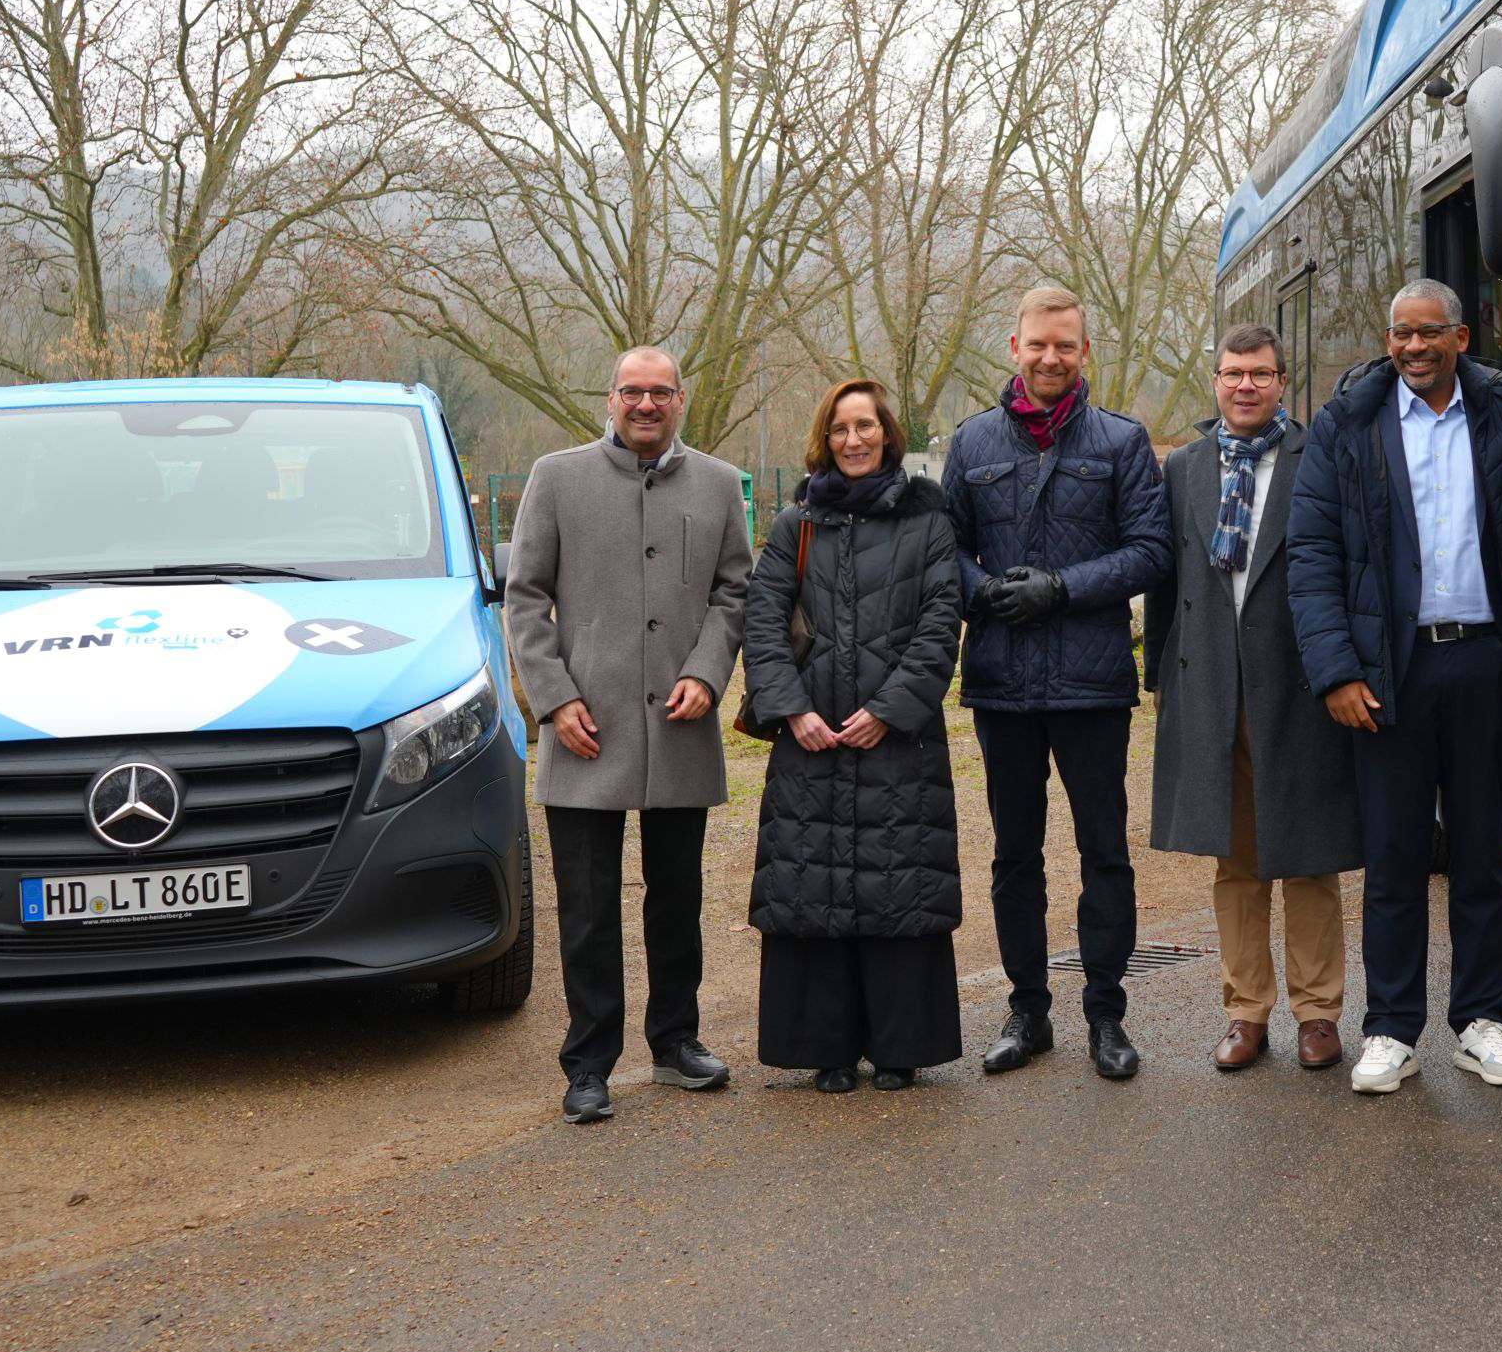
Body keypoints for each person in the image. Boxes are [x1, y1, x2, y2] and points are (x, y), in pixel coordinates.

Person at [1285, 278, 1502, 1097]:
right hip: (1387, 673)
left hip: (1487, 663)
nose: (1413, 347)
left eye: (1430, 332)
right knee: (1394, 860)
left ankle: (1481, 1021)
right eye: (1401, 333)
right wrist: (1336, 670)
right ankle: (1391, 1029)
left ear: (1460, 339)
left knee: (1480, 856)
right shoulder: (1348, 423)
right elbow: (1312, 554)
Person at [502, 346, 752, 1126]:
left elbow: (735, 592)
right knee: (586, 907)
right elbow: (524, 599)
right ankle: (588, 1063)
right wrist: (554, 700)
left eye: (660, 392)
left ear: (681, 400)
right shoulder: (556, 478)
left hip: (680, 722)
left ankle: (675, 1041)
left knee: (677, 899)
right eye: (632, 391)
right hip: (586, 726)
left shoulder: (718, 484)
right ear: (610, 399)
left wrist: (708, 672)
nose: (646, 404)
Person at [942, 284, 1172, 1081]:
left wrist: (1063, 588)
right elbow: (946, 548)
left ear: (1083, 350)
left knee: (1104, 850)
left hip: (1092, 681)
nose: (1050, 358)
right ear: (1015, 347)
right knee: (1015, 855)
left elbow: (1151, 550)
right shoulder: (972, 442)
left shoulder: (1121, 441)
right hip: (1002, 679)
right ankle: (1028, 1011)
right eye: (1038, 344)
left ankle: (1107, 1014)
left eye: (1064, 345)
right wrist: (984, 592)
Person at [739, 380, 966, 1092]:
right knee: (813, 885)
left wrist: (890, 710)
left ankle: (901, 1046)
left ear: (887, 434)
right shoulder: (796, 523)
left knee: (901, 884)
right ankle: (825, 1048)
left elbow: (941, 624)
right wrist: (791, 709)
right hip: (810, 739)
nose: (854, 439)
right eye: (840, 429)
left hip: (899, 742)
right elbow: (763, 622)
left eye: (866, 426)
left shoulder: (928, 522)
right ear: (825, 438)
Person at [1146, 325, 1361, 1072]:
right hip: (1210, 686)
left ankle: (1318, 1013)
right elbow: (1167, 583)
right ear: (1215, 381)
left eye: (1260, 374)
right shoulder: (1185, 467)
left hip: (1299, 687)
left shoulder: (1318, 456)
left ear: (1281, 382)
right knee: (1235, 861)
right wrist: (1163, 682)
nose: (1246, 385)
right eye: (1233, 373)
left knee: (1309, 858)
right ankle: (1246, 1011)